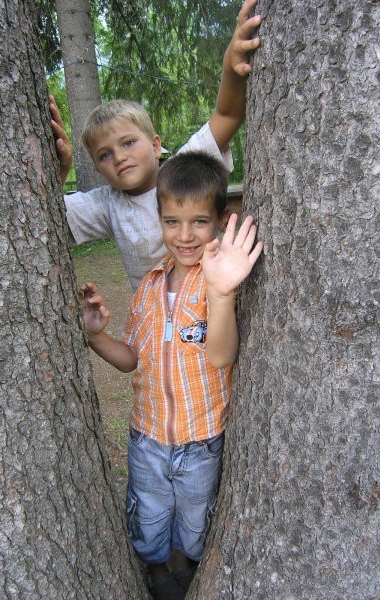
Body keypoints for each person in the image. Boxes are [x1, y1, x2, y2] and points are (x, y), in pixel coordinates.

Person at [79, 151, 263, 600]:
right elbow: (131, 360)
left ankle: (182, 566)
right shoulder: (150, 284)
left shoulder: (218, 278)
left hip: (201, 437)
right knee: (150, 515)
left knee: (195, 518)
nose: (184, 236)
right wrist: (96, 336)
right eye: (172, 222)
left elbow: (221, 356)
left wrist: (221, 293)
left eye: (199, 222)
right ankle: (156, 569)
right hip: (147, 437)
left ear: (220, 219)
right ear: (159, 220)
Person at [51, 0, 263, 291]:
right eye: (105, 154)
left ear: (155, 145)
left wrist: (230, 62)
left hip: (210, 307)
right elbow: (48, 217)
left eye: (128, 142)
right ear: (98, 167)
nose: (119, 157)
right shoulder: (107, 204)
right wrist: (57, 172)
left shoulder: (185, 168)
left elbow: (226, 115)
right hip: (153, 321)